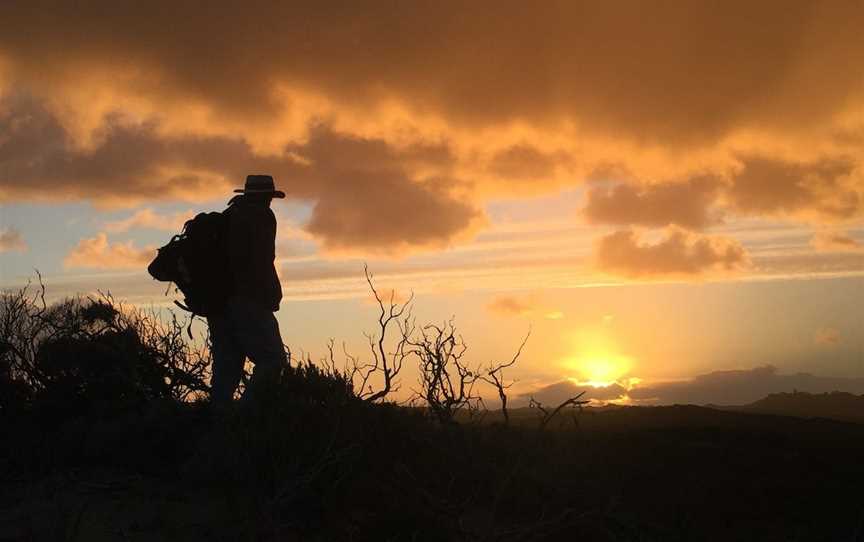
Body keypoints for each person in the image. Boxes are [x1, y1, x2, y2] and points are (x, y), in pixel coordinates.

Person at [208, 174, 286, 405]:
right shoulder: (261, 217)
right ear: (266, 197)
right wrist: (272, 294)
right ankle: (246, 416)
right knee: (272, 360)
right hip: (248, 300)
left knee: (226, 368)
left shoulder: (229, 216)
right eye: (269, 197)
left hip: (218, 303)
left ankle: (218, 422)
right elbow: (262, 261)